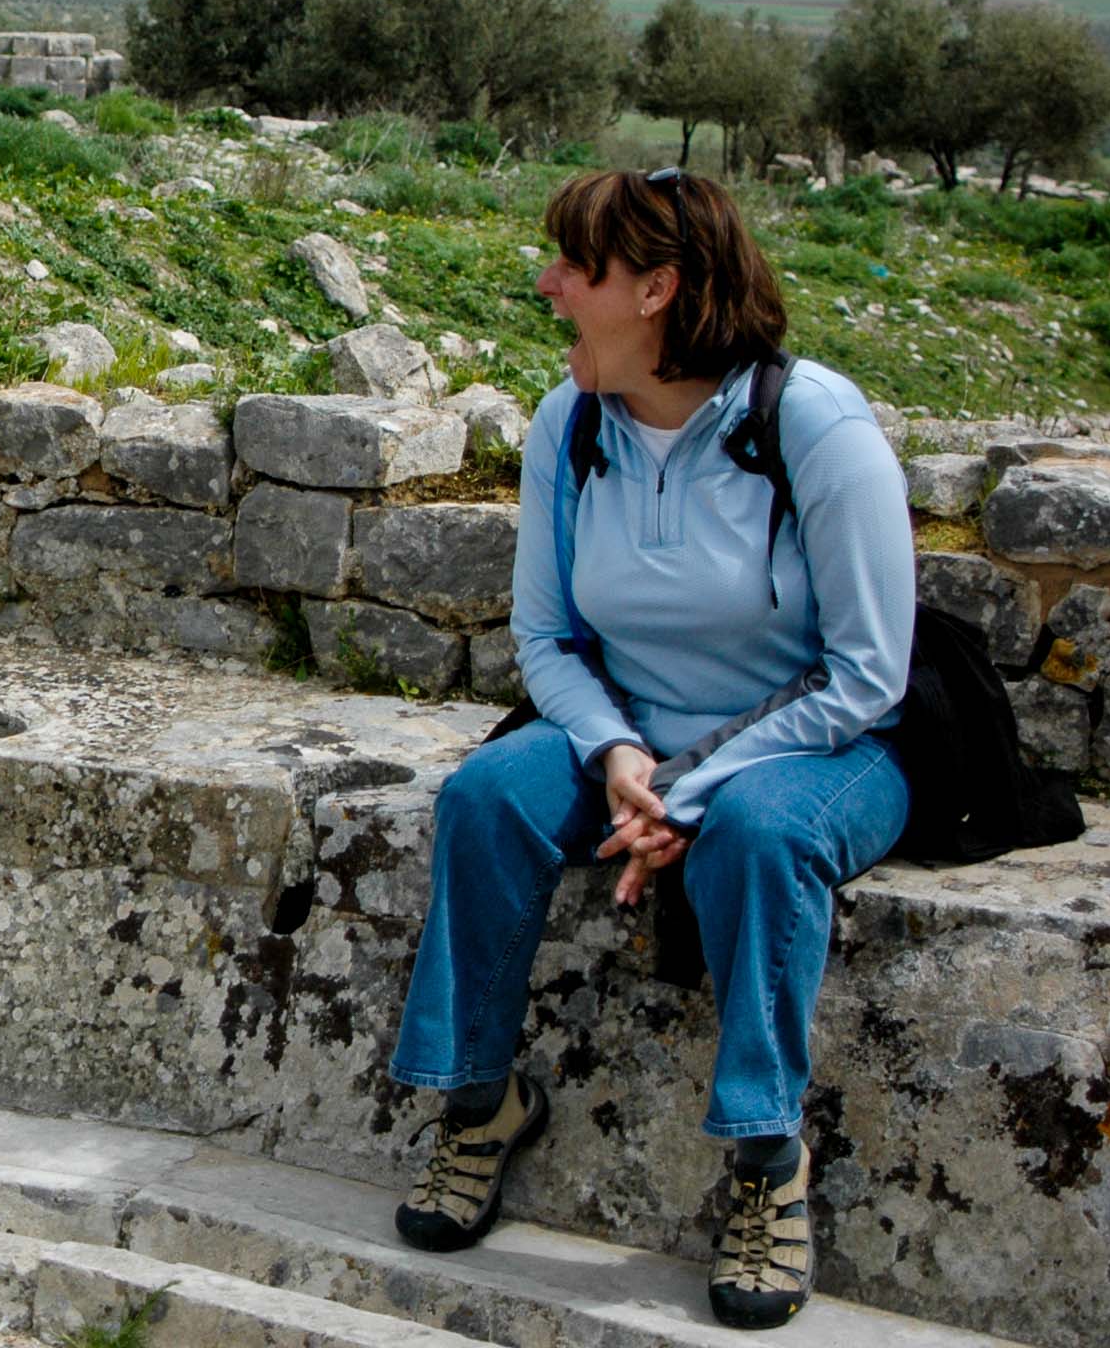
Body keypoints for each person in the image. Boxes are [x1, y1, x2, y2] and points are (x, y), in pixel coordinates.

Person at [383, 168, 912, 1331]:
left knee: (761, 838)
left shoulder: (813, 426)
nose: (548, 284)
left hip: (819, 752)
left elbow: (868, 676)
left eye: (576, 267)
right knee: (483, 797)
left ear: (659, 290)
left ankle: (771, 1167)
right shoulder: (568, 421)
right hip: (628, 741)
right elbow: (544, 634)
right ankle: (479, 1103)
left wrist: (694, 788)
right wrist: (621, 753)